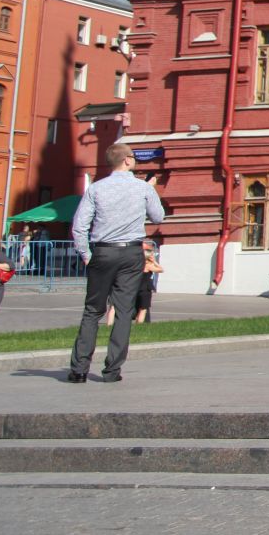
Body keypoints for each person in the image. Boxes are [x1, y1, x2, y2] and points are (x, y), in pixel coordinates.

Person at [67, 142, 165, 383]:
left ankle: (79, 369)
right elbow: (158, 216)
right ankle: (112, 370)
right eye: (133, 157)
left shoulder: (96, 188)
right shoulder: (142, 188)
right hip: (131, 252)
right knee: (124, 311)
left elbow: (79, 226)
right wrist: (150, 192)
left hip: (103, 252)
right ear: (128, 160)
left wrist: (86, 254)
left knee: (92, 310)